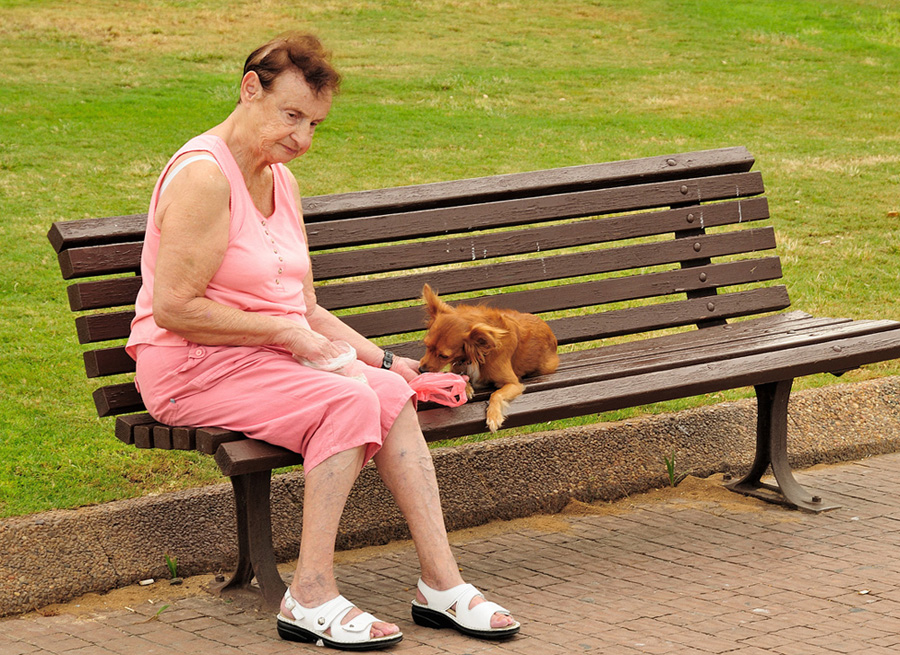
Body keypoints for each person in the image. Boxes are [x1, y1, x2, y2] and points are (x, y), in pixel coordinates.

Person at [125, 32, 519, 650]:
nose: (303, 139)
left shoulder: (279, 179)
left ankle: (440, 585)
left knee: (387, 389)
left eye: (315, 123)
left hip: (264, 359)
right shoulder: (205, 178)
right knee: (350, 401)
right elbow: (176, 309)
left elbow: (304, 308)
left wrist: (393, 363)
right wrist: (285, 334)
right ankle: (308, 594)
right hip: (194, 368)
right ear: (249, 88)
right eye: (291, 117)